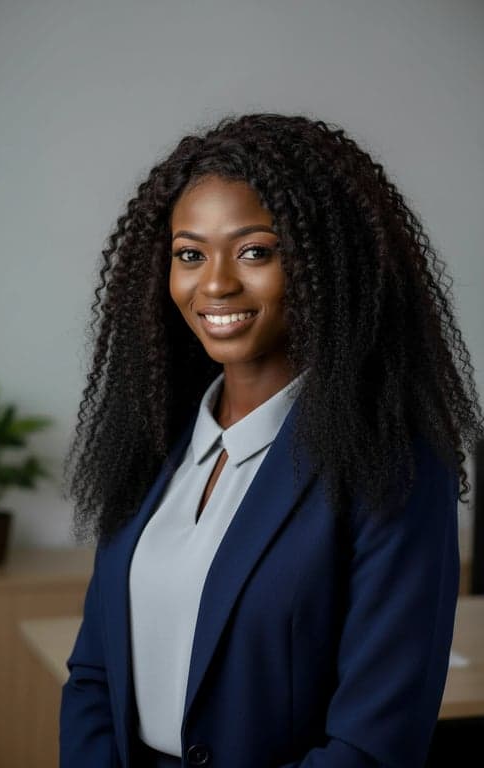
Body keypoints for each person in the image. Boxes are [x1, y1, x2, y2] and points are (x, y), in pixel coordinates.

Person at [59, 113, 484, 768]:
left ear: (324, 263)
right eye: (189, 254)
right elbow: (94, 674)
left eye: (255, 251)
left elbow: (370, 748)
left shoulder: (391, 462)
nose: (215, 284)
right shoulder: (152, 444)